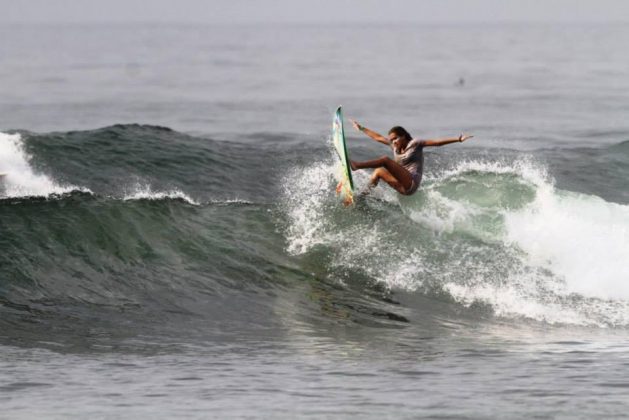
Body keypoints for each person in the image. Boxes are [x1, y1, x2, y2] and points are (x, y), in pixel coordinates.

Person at [349, 120, 473, 195]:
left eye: (396, 138)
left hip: (411, 183)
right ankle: (363, 196)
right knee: (378, 172)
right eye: (392, 140)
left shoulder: (415, 144)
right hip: (402, 187)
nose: (394, 141)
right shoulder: (395, 146)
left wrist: (458, 139)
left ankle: (356, 166)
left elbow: (437, 142)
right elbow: (378, 137)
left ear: (404, 136)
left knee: (385, 160)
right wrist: (361, 128)